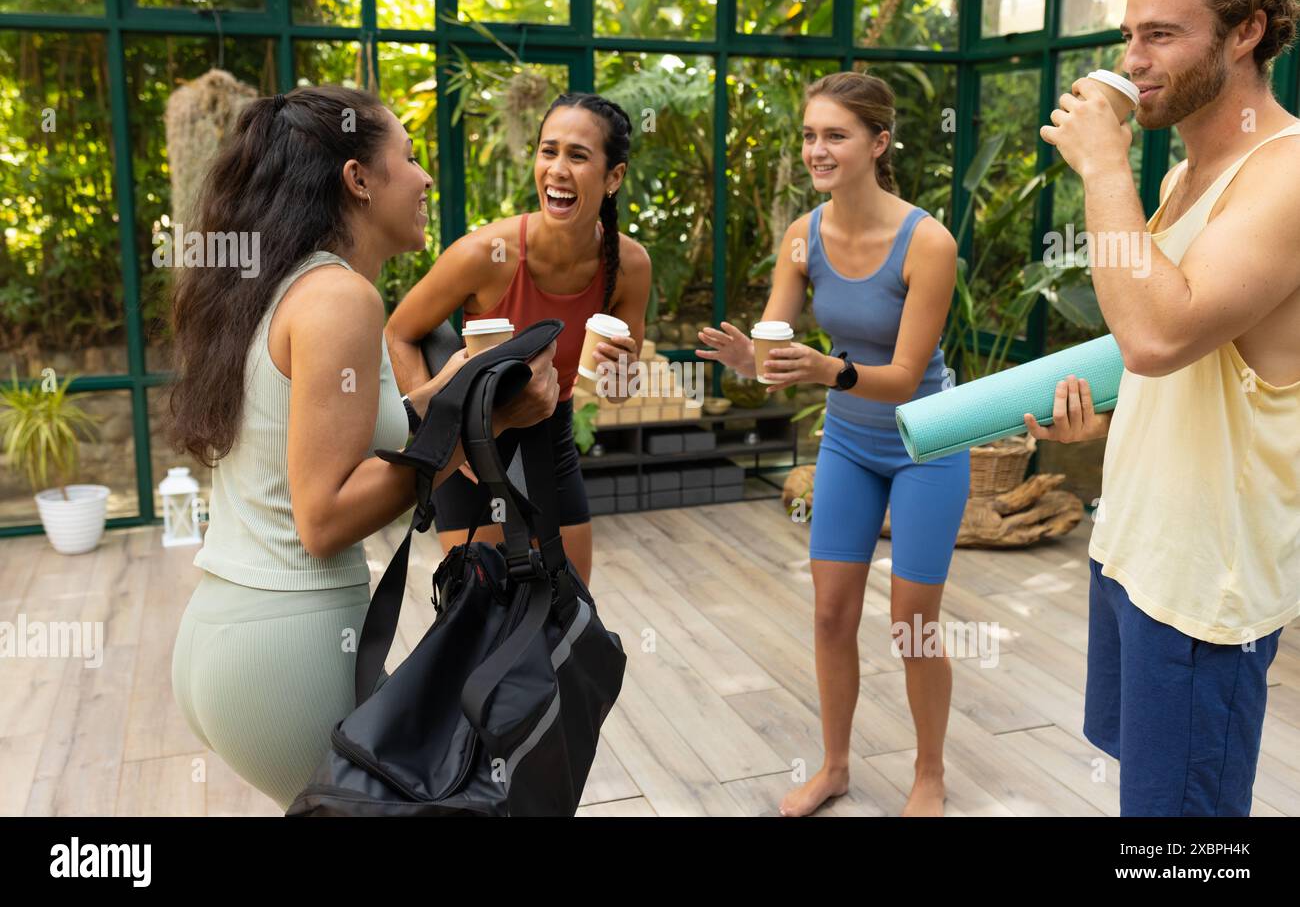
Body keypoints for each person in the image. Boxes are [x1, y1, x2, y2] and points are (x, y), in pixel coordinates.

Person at [167, 84, 558, 810]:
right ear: (358, 179)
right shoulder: (343, 299)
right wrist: (488, 429)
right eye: (408, 157)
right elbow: (324, 517)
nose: (425, 177)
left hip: (227, 635)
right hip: (288, 652)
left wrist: (453, 393)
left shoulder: (281, 286)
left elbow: (338, 432)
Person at [1035, 0, 1300, 815]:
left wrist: (1104, 165)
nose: (1133, 59)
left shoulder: (1286, 174)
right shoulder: (1186, 175)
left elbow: (1154, 333)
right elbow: (1183, 362)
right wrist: (1106, 425)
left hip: (1202, 591)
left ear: (1246, 34)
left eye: (1161, 35)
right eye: (1127, 35)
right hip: (1134, 554)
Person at [698, 72, 967, 817]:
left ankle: (930, 773)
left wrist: (825, 368)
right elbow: (774, 351)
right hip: (850, 442)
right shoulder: (802, 235)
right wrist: (750, 360)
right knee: (829, 615)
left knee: (912, 623)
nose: (818, 149)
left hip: (927, 441)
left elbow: (908, 375)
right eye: (811, 135)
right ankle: (836, 766)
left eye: (835, 135)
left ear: (878, 143)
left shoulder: (928, 243)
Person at [385, 93, 652, 586]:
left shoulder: (630, 266)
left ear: (614, 177)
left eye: (578, 155)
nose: (557, 169)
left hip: (551, 438)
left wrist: (621, 376)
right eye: (548, 151)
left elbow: (616, 389)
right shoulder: (485, 253)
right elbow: (399, 332)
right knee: (481, 623)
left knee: (566, 613)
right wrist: (438, 436)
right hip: (473, 439)